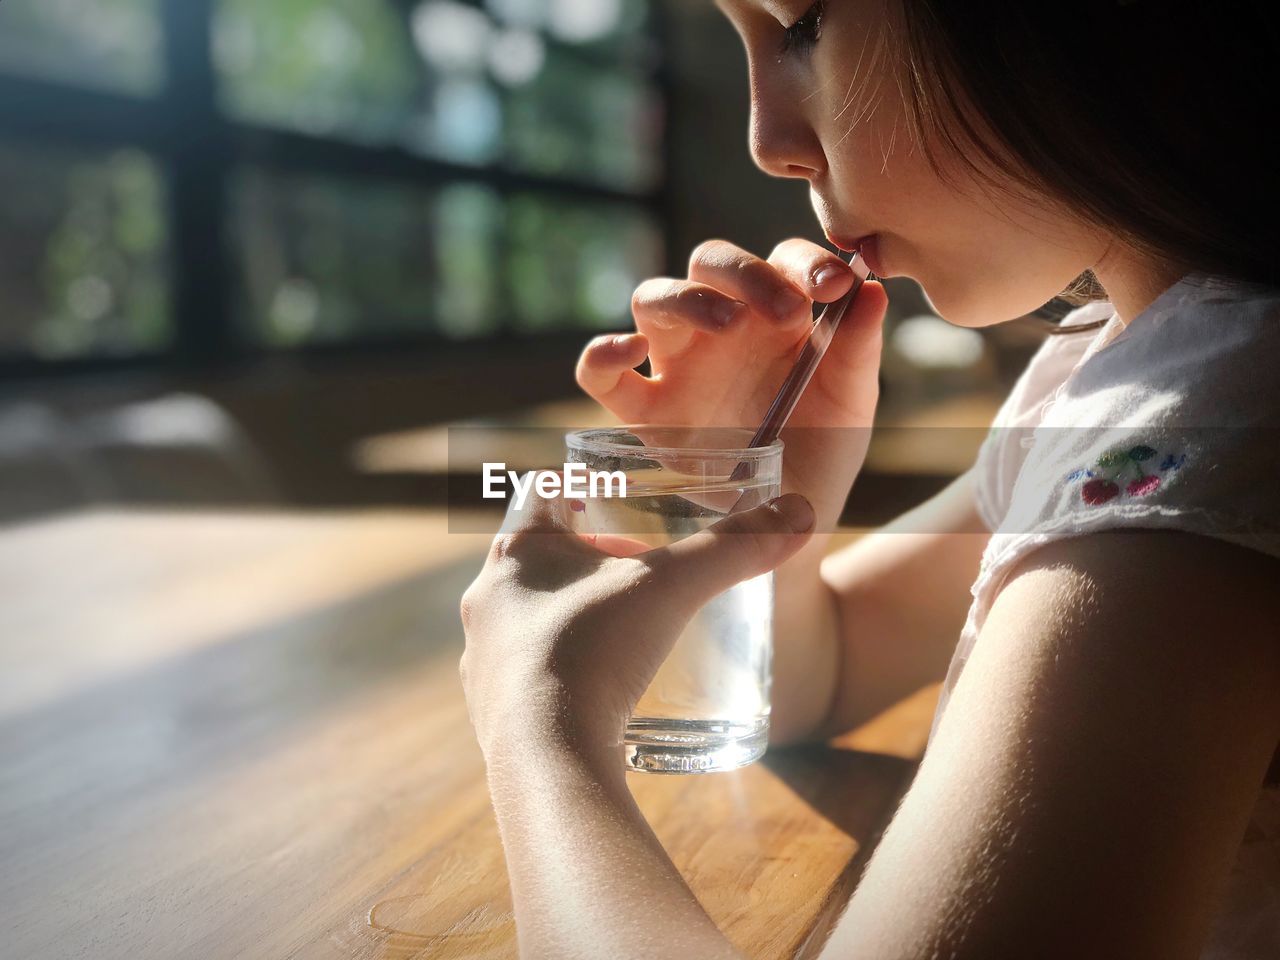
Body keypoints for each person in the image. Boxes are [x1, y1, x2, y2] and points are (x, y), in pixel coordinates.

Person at [458, 1, 1280, 956]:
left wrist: (536, 725)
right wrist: (771, 502)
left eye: (802, 26)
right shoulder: (1115, 374)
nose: (770, 142)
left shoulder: (1217, 423)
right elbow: (828, 671)